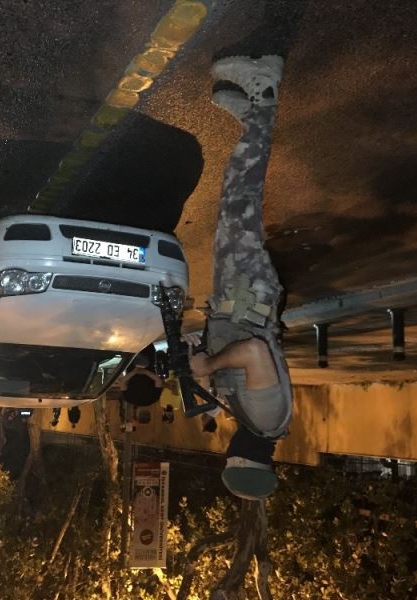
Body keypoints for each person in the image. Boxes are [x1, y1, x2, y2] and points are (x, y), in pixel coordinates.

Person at [188, 54, 293, 500]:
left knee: (236, 199)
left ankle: (251, 118)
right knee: (239, 194)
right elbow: (251, 351)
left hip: (236, 295)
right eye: (232, 457)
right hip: (249, 289)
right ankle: (263, 91)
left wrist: (201, 362)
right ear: (244, 458)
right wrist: (210, 366)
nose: (227, 451)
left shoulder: (252, 421)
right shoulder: (268, 419)